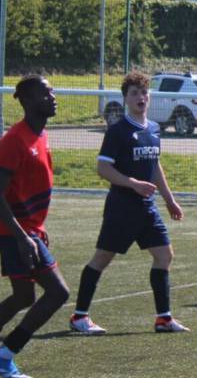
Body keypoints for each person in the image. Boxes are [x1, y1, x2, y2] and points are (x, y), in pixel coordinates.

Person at [0, 75, 70, 378]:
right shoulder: (14, 141)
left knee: (23, 297)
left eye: (53, 92)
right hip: (11, 231)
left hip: (25, 230)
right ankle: (4, 355)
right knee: (58, 292)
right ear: (29, 101)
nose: (53, 97)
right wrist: (23, 237)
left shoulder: (40, 135)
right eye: (47, 93)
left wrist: (36, 230)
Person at [70, 72, 188, 335]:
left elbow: (155, 166)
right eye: (134, 93)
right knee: (102, 258)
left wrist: (170, 200)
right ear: (125, 99)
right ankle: (79, 316)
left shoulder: (154, 129)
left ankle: (164, 318)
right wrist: (133, 183)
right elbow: (103, 168)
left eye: (144, 92)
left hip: (147, 208)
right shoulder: (118, 131)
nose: (140, 98)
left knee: (164, 255)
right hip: (122, 207)